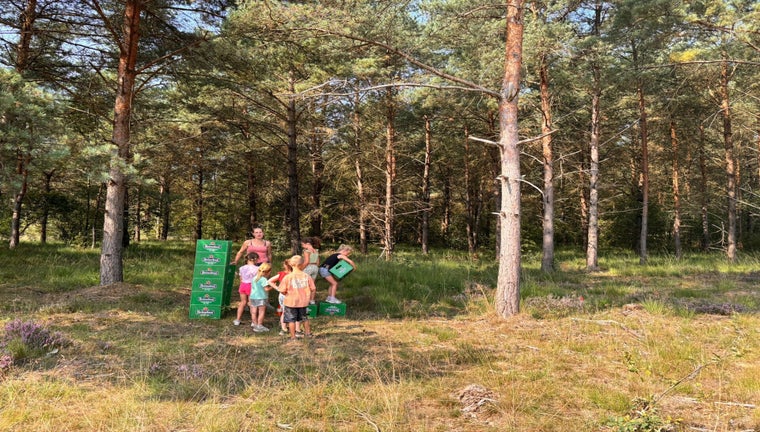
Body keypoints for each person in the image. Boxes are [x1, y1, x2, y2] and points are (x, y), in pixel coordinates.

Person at [274, 255, 315, 341]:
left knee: (291, 320)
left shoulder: (288, 277)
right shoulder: (306, 276)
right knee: (304, 318)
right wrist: (310, 298)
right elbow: (313, 288)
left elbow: (281, 290)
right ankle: (308, 334)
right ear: (302, 264)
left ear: (291, 264)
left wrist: (286, 294)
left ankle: (293, 337)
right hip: (303, 302)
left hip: (290, 302)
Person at [268, 259, 301, 336]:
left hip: (282, 295)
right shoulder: (296, 274)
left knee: (284, 312)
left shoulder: (282, 274)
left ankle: (284, 329)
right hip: (293, 295)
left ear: (285, 266)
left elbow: (270, 281)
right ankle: (297, 330)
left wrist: (277, 288)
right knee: (296, 312)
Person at [234, 252, 259, 326]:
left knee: (243, 302)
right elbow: (257, 279)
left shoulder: (241, 268)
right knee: (251, 303)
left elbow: (241, 278)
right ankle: (253, 322)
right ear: (255, 259)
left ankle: (237, 320)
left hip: (243, 285)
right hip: (251, 286)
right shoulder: (257, 269)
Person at [249, 262, 273, 332]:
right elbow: (266, 289)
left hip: (253, 297)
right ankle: (259, 325)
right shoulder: (263, 279)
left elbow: (252, 288)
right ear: (268, 272)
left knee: (253, 312)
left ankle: (255, 324)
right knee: (261, 312)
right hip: (261, 297)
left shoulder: (254, 278)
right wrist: (272, 286)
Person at [299, 236, 321, 305]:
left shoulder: (306, 251)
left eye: (303, 244)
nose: (302, 246)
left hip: (308, 267)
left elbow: (306, 262)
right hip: (315, 268)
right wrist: (315, 267)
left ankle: (304, 299)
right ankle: (312, 300)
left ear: (308, 244)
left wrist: (300, 269)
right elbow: (318, 262)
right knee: (312, 285)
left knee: (304, 284)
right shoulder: (316, 251)